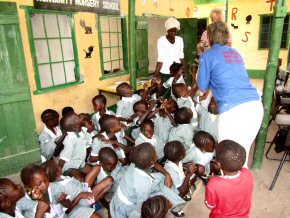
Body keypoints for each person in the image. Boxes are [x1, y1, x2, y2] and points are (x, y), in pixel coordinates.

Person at [197, 21, 263, 167]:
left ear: (210, 37)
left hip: (233, 110)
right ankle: (242, 187)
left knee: (227, 159)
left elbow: (202, 86)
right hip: (255, 106)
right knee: (241, 157)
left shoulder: (207, 56)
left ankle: (228, 188)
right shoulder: (236, 53)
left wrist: (205, 49)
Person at [109, 143, 184, 218]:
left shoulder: (136, 162)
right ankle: (172, 204)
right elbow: (142, 205)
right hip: (131, 207)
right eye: (155, 153)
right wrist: (165, 202)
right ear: (150, 161)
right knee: (162, 197)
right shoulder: (143, 184)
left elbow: (154, 164)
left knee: (162, 177)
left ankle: (173, 199)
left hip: (134, 189)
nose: (156, 154)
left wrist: (167, 174)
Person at [20, 164, 104, 218]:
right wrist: (40, 211)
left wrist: (63, 201)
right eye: (39, 184)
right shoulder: (26, 205)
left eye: (46, 180)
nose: (44, 185)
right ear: (27, 187)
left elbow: (68, 208)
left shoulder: (55, 187)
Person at [205, 140, 253, 218]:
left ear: (218, 164)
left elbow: (210, 205)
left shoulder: (213, 184)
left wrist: (212, 181)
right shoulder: (247, 174)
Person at [154, 17, 185, 98]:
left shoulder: (180, 40)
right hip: (165, 72)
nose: (173, 33)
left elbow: (181, 56)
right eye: (171, 31)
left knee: (178, 93)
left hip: (177, 70)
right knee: (166, 93)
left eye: (175, 31)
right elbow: (160, 58)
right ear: (167, 30)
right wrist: (156, 74)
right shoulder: (161, 40)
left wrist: (183, 70)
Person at [58, 113, 93, 181]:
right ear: (76, 126)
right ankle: (85, 189)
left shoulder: (80, 133)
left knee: (93, 173)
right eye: (78, 117)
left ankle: (90, 187)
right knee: (80, 179)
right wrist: (59, 173)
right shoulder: (70, 140)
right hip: (70, 167)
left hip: (80, 163)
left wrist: (89, 131)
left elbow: (87, 143)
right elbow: (63, 159)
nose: (81, 117)